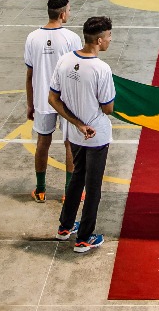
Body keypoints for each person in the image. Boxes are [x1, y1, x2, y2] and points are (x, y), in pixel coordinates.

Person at [50, 15, 116, 253]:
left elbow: (53, 98)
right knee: (93, 187)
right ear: (99, 40)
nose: (110, 40)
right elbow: (108, 107)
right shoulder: (101, 69)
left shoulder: (65, 61)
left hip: (76, 134)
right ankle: (85, 237)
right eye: (109, 36)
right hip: (96, 136)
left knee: (77, 178)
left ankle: (65, 226)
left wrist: (76, 123)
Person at [25, 0, 83, 204]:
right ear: (62, 14)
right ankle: (69, 192)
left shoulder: (32, 37)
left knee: (43, 142)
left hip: (42, 99)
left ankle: (40, 190)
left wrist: (30, 103)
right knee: (70, 145)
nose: (70, 13)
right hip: (66, 100)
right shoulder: (72, 38)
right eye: (69, 10)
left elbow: (30, 74)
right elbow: (78, 70)